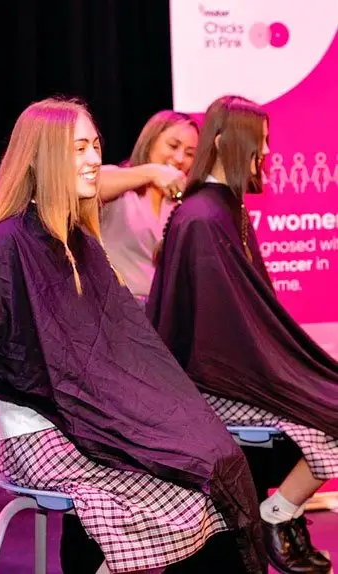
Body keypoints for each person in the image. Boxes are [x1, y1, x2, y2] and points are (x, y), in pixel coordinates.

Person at [0, 97, 265, 573]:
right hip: (43, 436)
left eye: (96, 146)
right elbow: (0, 356)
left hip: (87, 423)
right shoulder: (10, 242)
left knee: (215, 469)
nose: (95, 159)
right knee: (184, 501)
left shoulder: (82, 245)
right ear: (43, 156)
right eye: (79, 148)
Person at [148, 94, 338, 574]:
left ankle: (280, 510)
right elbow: (216, 335)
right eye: (259, 146)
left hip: (233, 372)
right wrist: (281, 371)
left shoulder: (222, 212)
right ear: (227, 144)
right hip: (215, 384)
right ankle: (280, 512)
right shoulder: (202, 219)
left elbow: (247, 317)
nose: (266, 156)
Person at [99, 111, 199, 303]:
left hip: (163, 316)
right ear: (151, 140)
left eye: (189, 153)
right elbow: (88, 185)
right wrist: (152, 172)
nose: (179, 158)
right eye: (173, 146)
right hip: (117, 311)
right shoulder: (121, 184)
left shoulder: (184, 203)